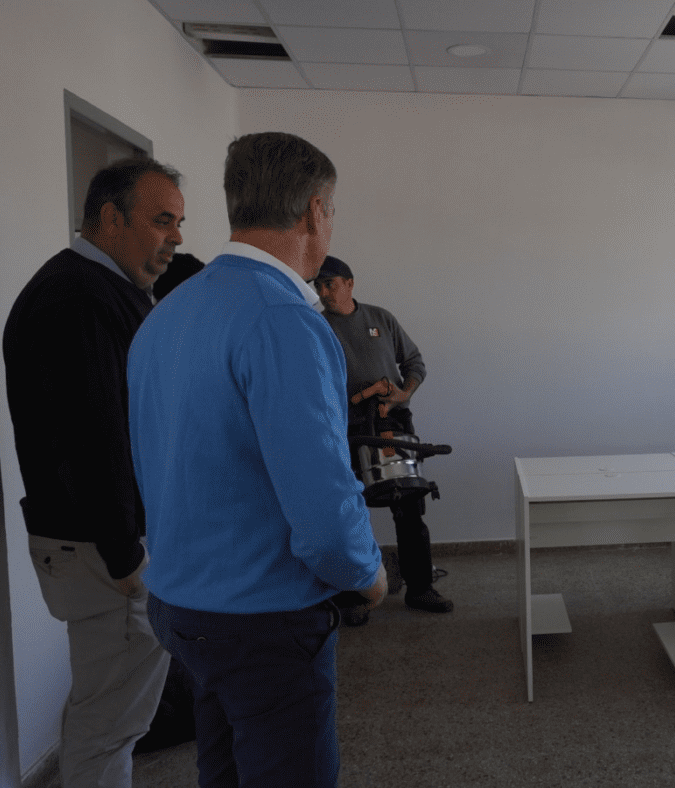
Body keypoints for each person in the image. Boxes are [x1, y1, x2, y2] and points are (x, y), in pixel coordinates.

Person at [128, 132, 387, 788]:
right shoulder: (283, 320)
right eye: (331, 210)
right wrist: (368, 574)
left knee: (225, 769)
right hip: (261, 620)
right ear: (313, 212)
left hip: (182, 604)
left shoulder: (169, 313)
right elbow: (323, 507)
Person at [1, 157, 181, 787]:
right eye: (162, 220)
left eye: (179, 223)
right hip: (106, 551)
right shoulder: (78, 296)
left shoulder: (98, 288)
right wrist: (125, 553)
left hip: (101, 543)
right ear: (110, 217)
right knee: (107, 728)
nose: (175, 238)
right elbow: (94, 433)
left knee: (107, 715)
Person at [314, 256, 453, 615]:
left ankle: (420, 588)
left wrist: (402, 394)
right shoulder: (315, 326)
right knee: (345, 513)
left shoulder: (381, 319)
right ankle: (352, 598)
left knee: (409, 506)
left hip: (393, 423)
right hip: (344, 429)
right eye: (319, 285)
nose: (324, 292)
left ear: (350, 283)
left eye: (330, 284)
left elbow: (415, 362)